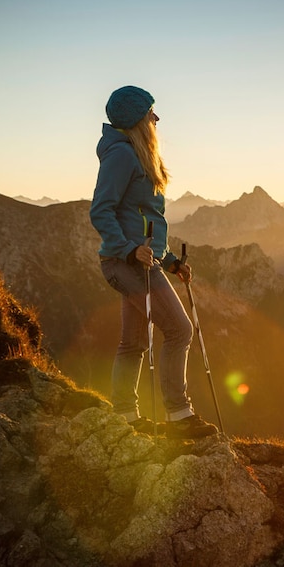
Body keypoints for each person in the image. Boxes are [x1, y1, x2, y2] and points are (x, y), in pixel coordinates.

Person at [90, 85, 218, 439]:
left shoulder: (135, 153)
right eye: (150, 112)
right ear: (137, 119)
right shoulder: (122, 156)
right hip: (127, 264)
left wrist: (171, 262)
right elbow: (101, 210)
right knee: (180, 330)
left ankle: (124, 416)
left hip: (141, 262)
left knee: (133, 342)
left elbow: (144, 218)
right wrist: (130, 249)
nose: (157, 118)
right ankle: (179, 416)